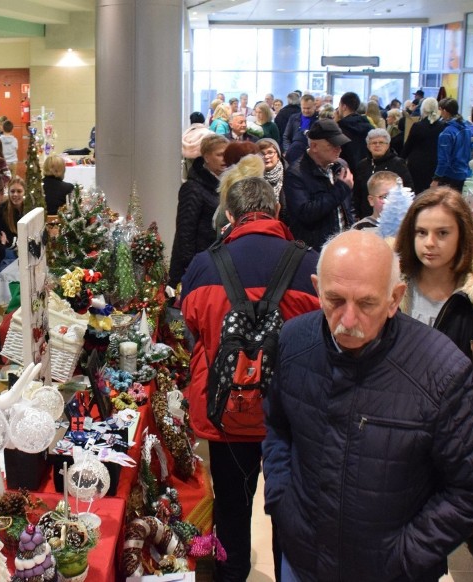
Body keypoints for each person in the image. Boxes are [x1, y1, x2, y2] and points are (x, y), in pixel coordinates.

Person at [263, 229, 473, 581]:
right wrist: (283, 500)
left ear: (395, 298)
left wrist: (408, 553)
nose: (348, 322)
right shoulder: (293, 340)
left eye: (366, 304)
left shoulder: (441, 371)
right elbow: (277, 425)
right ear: (317, 289)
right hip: (303, 561)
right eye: (335, 300)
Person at [181, 177, 319, 582]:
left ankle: (232, 572)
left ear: (228, 215)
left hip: (227, 411)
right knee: (291, 507)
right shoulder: (309, 263)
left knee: (231, 506)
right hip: (290, 413)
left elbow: (194, 326)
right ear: (277, 212)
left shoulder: (205, 264)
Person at [394, 187, 473, 415]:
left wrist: (465, 421)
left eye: (442, 233)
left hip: (459, 424)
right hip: (395, 415)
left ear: (462, 233)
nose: (429, 243)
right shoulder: (389, 284)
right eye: (421, 232)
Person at [283, 119, 355, 250]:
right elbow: (305, 214)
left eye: (340, 144)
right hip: (316, 250)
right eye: (333, 145)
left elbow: (349, 206)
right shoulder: (296, 174)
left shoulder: (340, 166)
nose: (339, 149)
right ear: (315, 146)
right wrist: (341, 189)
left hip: (345, 245)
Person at [168, 133, 229, 287]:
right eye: (220, 155)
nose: (225, 159)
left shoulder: (225, 183)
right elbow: (185, 232)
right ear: (206, 157)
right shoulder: (193, 187)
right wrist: (192, 265)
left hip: (216, 260)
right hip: (197, 264)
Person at [351, 128, 413, 218]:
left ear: (388, 145)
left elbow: (408, 188)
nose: (377, 145)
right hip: (367, 215)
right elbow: (357, 192)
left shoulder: (398, 163)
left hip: (392, 216)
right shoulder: (362, 165)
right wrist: (356, 214)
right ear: (368, 146)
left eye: (381, 142)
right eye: (373, 143)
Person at [402, 97, 445, 195]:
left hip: (416, 165)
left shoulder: (417, 126)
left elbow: (407, 147)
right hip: (434, 165)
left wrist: (401, 160)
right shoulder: (443, 126)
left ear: (423, 109)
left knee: (417, 194)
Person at [431, 98, 472, 192]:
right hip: (463, 173)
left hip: (449, 175)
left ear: (444, 111)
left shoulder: (447, 133)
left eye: (440, 110)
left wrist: (436, 179)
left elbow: (443, 160)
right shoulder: (467, 129)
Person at [336, 91, 373, 173]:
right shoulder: (369, 127)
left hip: (345, 170)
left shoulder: (339, 129)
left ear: (344, 107)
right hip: (366, 170)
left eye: (339, 105)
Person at [257, 138, 288, 224]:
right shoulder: (253, 178)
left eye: (270, 153)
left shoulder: (290, 175)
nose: (266, 157)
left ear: (278, 155)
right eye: (261, 154)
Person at [282, 94, 318, 164]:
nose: (306, 111)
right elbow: (286, 136)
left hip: (311, 156)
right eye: (303, 108)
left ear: (314, 106)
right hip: (293, 154)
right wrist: (288, 150)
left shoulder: (319, 120)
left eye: (308, 108)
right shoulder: (293, 118)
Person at [182, 112, 213, 180]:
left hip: (188, 168)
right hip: (204, 167)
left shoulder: (185, 134)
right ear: (203, 121)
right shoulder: (209, 134)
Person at [0, 175, 26, 245]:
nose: (15, 194)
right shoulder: (2, 210)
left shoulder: (29, 208)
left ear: (24, 192)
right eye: (12, 191)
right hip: (10, 248)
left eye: (19, 191)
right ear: (8, 192)